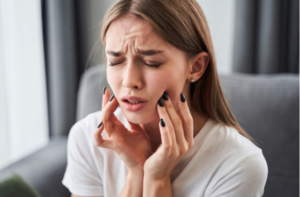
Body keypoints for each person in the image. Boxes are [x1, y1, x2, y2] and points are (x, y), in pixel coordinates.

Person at [62, 0, 268, 196]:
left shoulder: (240, 164)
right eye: (115, 61)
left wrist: (157, 178)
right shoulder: (88, 137)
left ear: (195, 67)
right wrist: (136, 174)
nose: (129, 81)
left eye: (152, 62)